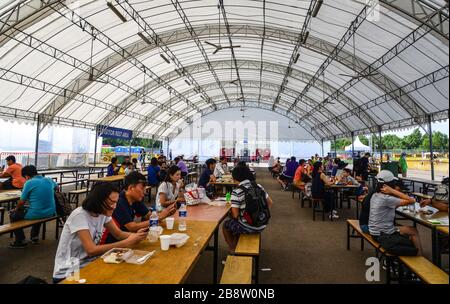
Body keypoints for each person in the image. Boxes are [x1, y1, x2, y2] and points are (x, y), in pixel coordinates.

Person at [52, 182, 148, 283]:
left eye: (116, 202)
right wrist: (126, 242)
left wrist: (137, 235)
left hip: (89, 264)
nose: (114, 206)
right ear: (99, 200)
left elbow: (118, 234)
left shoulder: (103, 213)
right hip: (68, 272)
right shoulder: (80, 215)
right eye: (112, 202)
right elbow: (91, 250)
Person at [103, 172, 176, 243]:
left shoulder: (135, 200)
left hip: (132, 239)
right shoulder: (119, 202)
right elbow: (132, 227)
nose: (145, 192)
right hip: (116, 244)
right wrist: (159, 217)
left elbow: (149, 216)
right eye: (142, 188)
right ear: (131, 188)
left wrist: (166, 213)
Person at [368, 170, 422, 255]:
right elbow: (412, 200)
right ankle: (419, 257)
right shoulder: (386, 198)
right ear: (390, 184)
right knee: (413, 231)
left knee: (409, 230)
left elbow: (392, 206)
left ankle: (413, 255)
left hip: (374, 232)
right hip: (383, 234)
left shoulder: (375, 195)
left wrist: (393, 195)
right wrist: (392, 191)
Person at [222, 165, 273, 251]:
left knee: (226, 225)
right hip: (262, 224)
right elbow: (270, 203)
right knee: (236, 223)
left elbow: (235, 215)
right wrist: (261, 214)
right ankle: (237, 243)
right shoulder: (259, 186)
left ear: (235, 178)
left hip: (248, 227)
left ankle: (232, 249)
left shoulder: (236, 192)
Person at [8, 165, 57, 248]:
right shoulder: (48, 180)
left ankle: (20, 241)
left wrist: (16, 209)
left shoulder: (29, 183)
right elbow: (56, 187)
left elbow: (21, 202)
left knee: (13, 214)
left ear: (26, 176)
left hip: (38, 213)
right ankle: (34, 237)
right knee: (36, 209)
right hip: (51, 212)